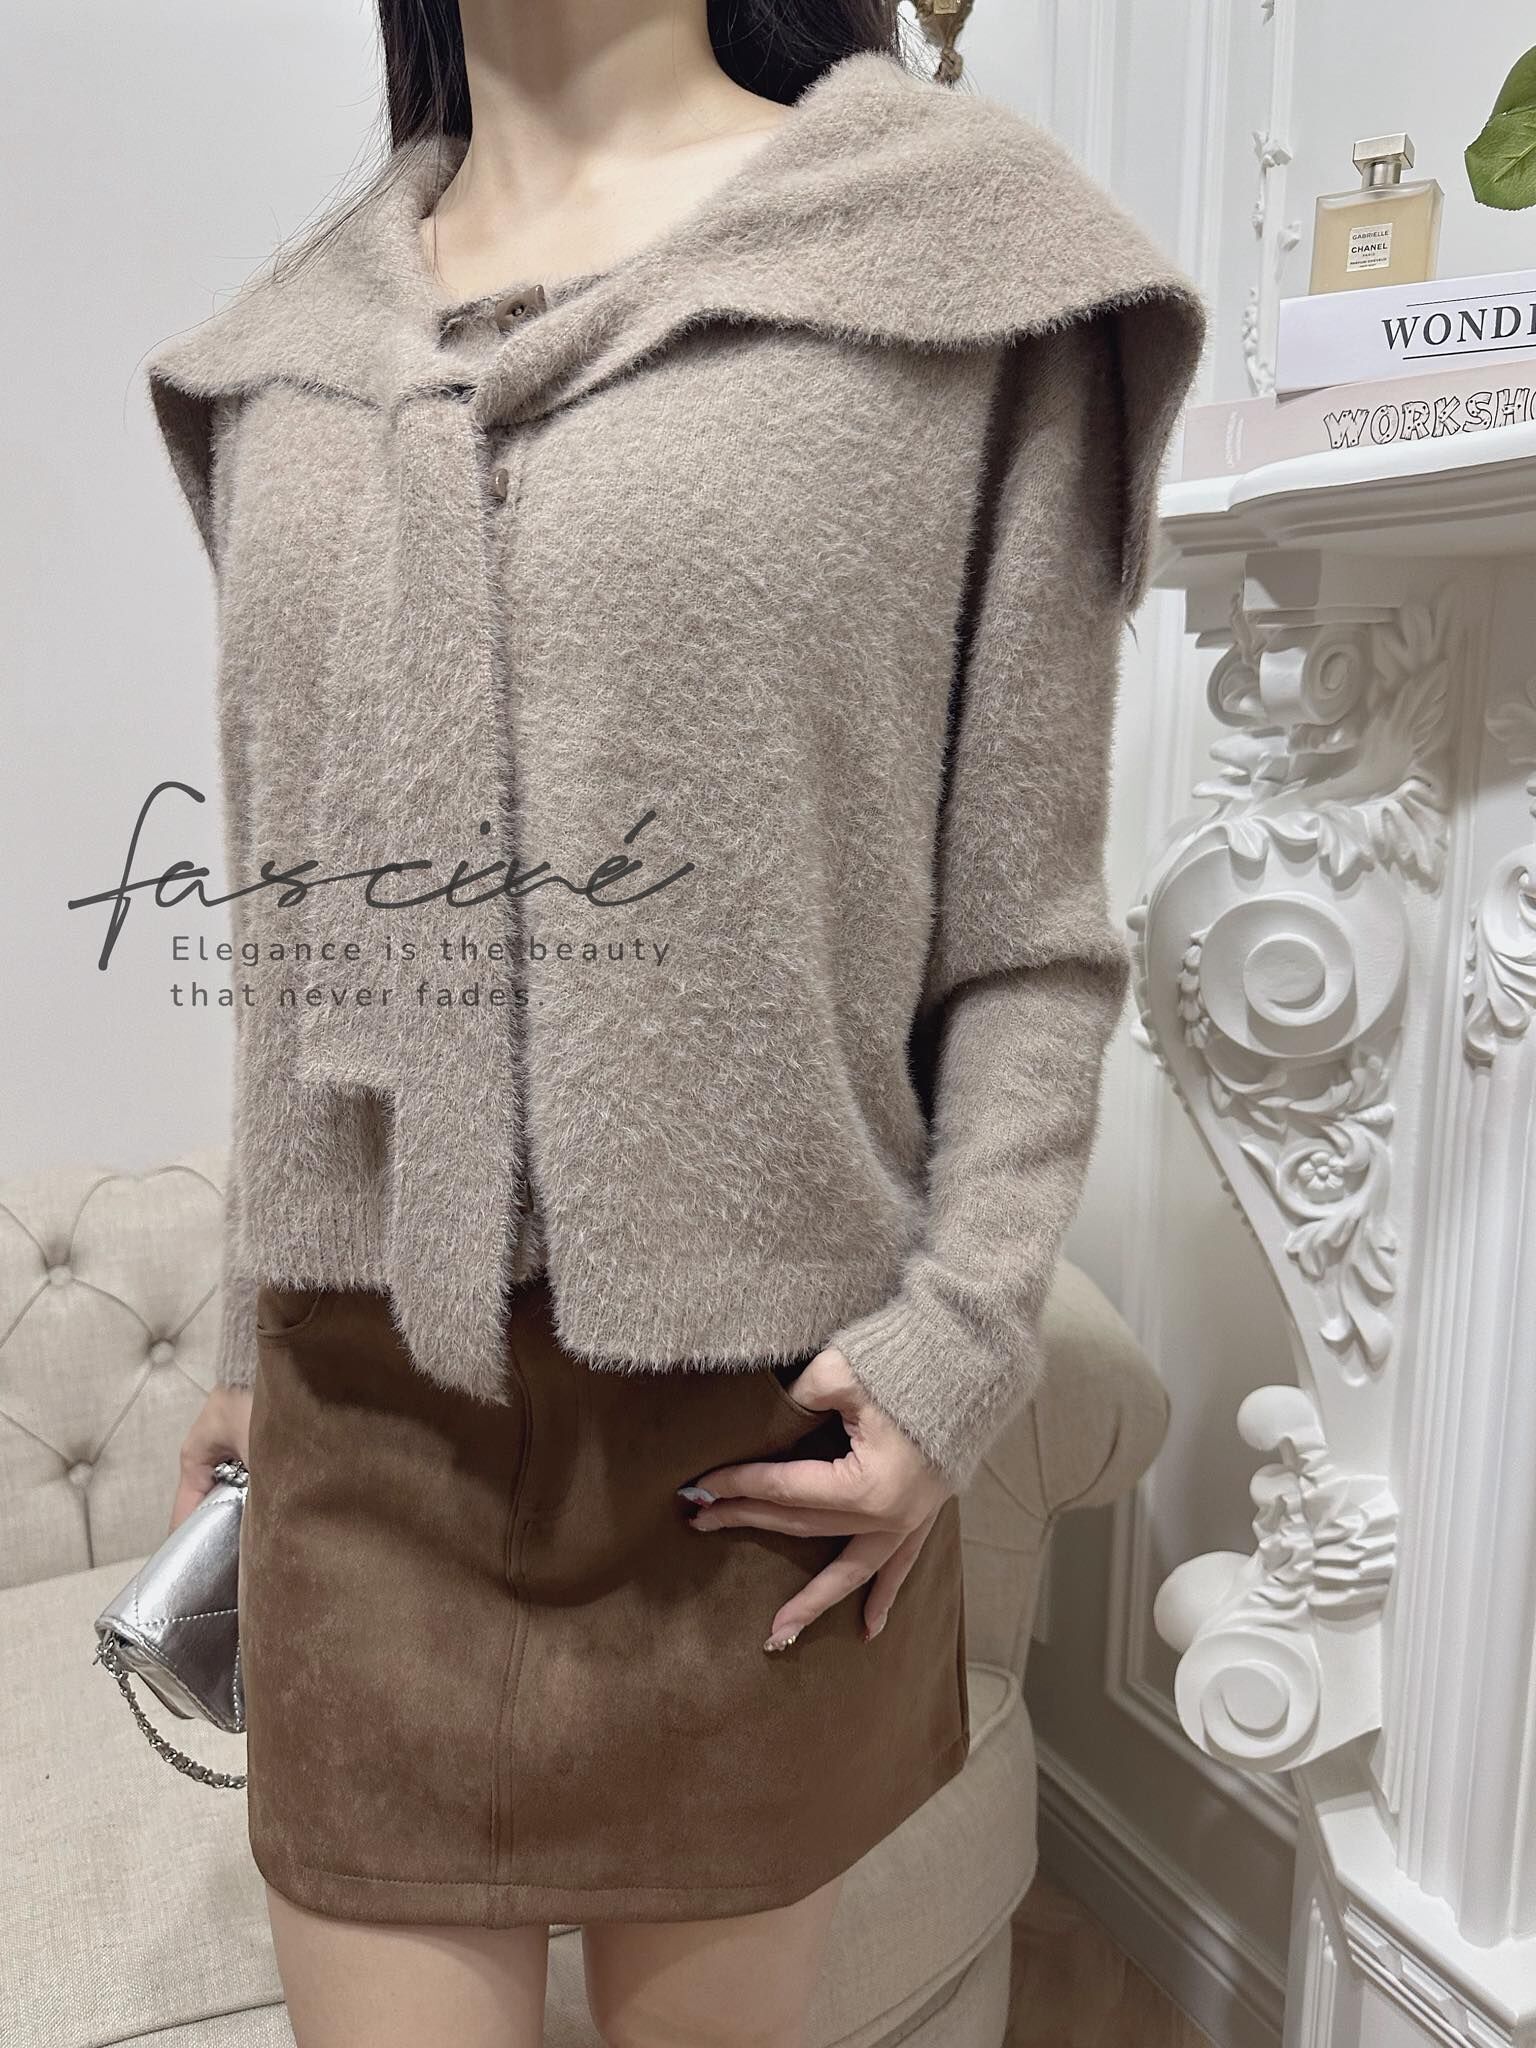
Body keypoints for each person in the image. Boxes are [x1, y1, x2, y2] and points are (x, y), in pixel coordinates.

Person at [148, 1, 1205, 2042]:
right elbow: (302, 935)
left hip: (748, 1452)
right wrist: (241, 1333)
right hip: (364, 1423)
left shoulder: (956, 262)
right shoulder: (285, 360)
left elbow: (1027, 932)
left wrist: (960, 1344)